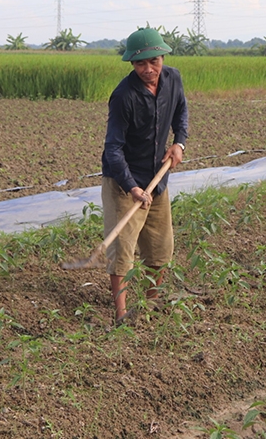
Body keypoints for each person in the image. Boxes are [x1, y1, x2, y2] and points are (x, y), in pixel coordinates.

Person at [101, 27, 188, 324]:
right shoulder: (123, 96)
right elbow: (113, 150)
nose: (148, 69)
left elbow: (181, 113)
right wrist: (132, 187)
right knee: (122, 250)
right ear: (132, 64)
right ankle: (122, 315)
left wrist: (179, 143)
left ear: (162, 57)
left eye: (154, 61)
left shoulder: (173, 79)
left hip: (157, 178)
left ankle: (151, 304)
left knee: (160, 247)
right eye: (140, 64)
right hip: (124, 182)